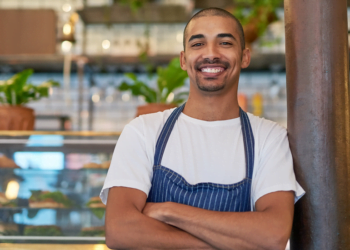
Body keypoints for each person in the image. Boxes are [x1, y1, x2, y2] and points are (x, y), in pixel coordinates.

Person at [100, 7, 304, 250]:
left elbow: (272, 235)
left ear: (245, 56)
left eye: (225, 43)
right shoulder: (143, 132)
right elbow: (119, 231)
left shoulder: (269, 137)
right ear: (184, 60)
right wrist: (233, 241)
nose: (211, 54)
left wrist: (168, 211)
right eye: (198, 44)